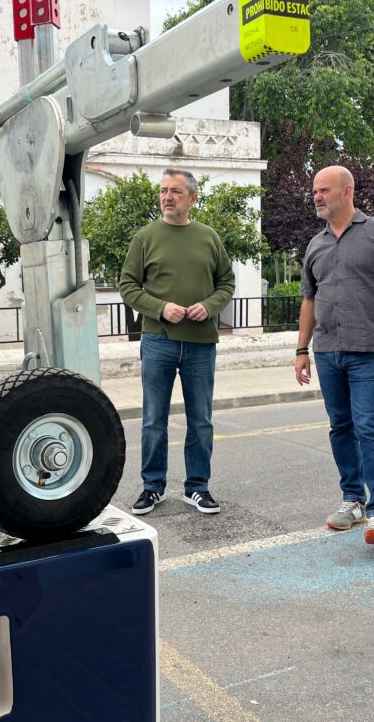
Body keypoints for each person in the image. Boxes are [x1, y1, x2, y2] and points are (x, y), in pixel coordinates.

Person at [294, 165, 374, 546]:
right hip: (327, 350)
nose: (317, 196)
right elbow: (309, 300)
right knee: (340, 427)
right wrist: (301, 349)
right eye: (315, 190)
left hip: (367, 350)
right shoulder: (315, 245)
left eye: (324, 190)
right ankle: (353, 500)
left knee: (369, 427)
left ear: (347, 191)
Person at [119, 168, 235, 516]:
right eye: (163, 191)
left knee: (201, 420)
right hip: (158, 341)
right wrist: (160, 308)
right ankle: (153, 487)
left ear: (192, 198)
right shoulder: (145, 237)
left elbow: (226, 283)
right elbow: (128, 285)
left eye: (176, 191)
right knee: (154, 419)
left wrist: (210, 306)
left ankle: (197, 487)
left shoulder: (209, 237)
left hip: (201, 343)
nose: (167, 197)